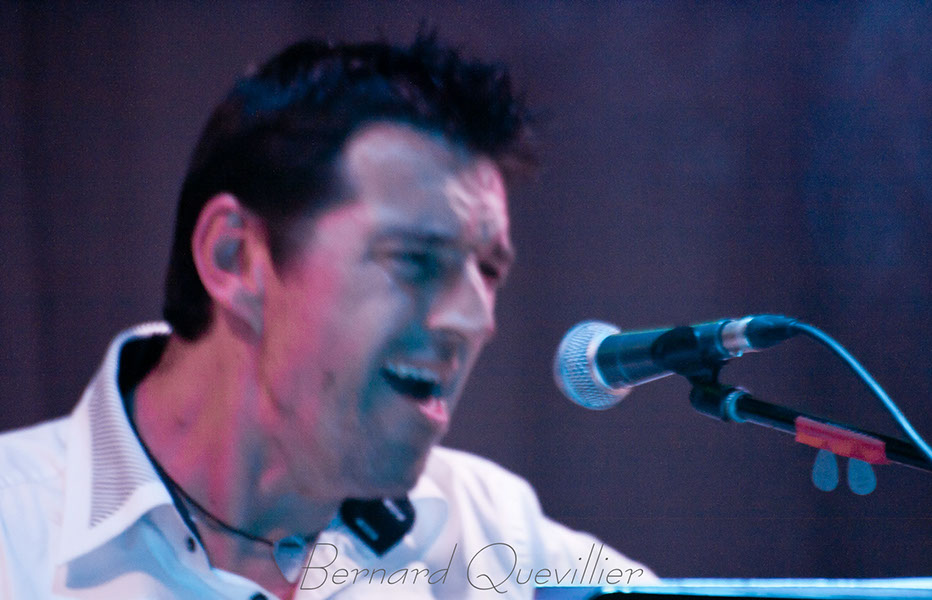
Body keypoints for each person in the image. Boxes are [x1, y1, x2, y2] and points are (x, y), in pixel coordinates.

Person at [0, 35, 655, 598]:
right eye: (415, 259)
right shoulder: (16, 532)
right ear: (234, 257)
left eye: (488, 271)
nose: (475, 317)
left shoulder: (493, 534)